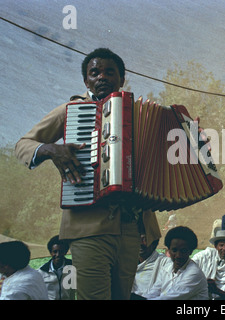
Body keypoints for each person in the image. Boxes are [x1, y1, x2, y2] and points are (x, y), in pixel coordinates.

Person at [14, 48, 163, 299]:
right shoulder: (71, 111)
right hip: (88, 227)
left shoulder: (141, 116)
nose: (101, 77)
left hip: (130, 228)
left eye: (109, 72)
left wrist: (191, 141)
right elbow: (23, 145)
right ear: (86, 81)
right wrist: (52, 149)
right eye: (94, 72)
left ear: (122, 78)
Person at [144, 226, 208, 300]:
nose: (178, 256)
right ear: (169, 251)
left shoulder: (194, 273)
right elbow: (154, 292)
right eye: (174, 250)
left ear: (190, 252)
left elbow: (168, 298)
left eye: (183, 251)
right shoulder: (166, 268)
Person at [192, 229, 225, 300]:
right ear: (215, 246)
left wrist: (217, 291)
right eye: (221, 245)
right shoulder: (204, 256)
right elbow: (189, 268)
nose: (224, 248)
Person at [130, 234, 168, 300]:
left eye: (145, 239)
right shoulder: (126, 264)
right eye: (137, 239)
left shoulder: (164, 263)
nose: (140, 243)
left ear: (154, 243)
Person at [38, 235, 75, 300]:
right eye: (55, 252)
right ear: (50, 252)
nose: (58, 255)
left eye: (61, 252)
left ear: (65, 252)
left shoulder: (73, 267)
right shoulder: (42, 271)